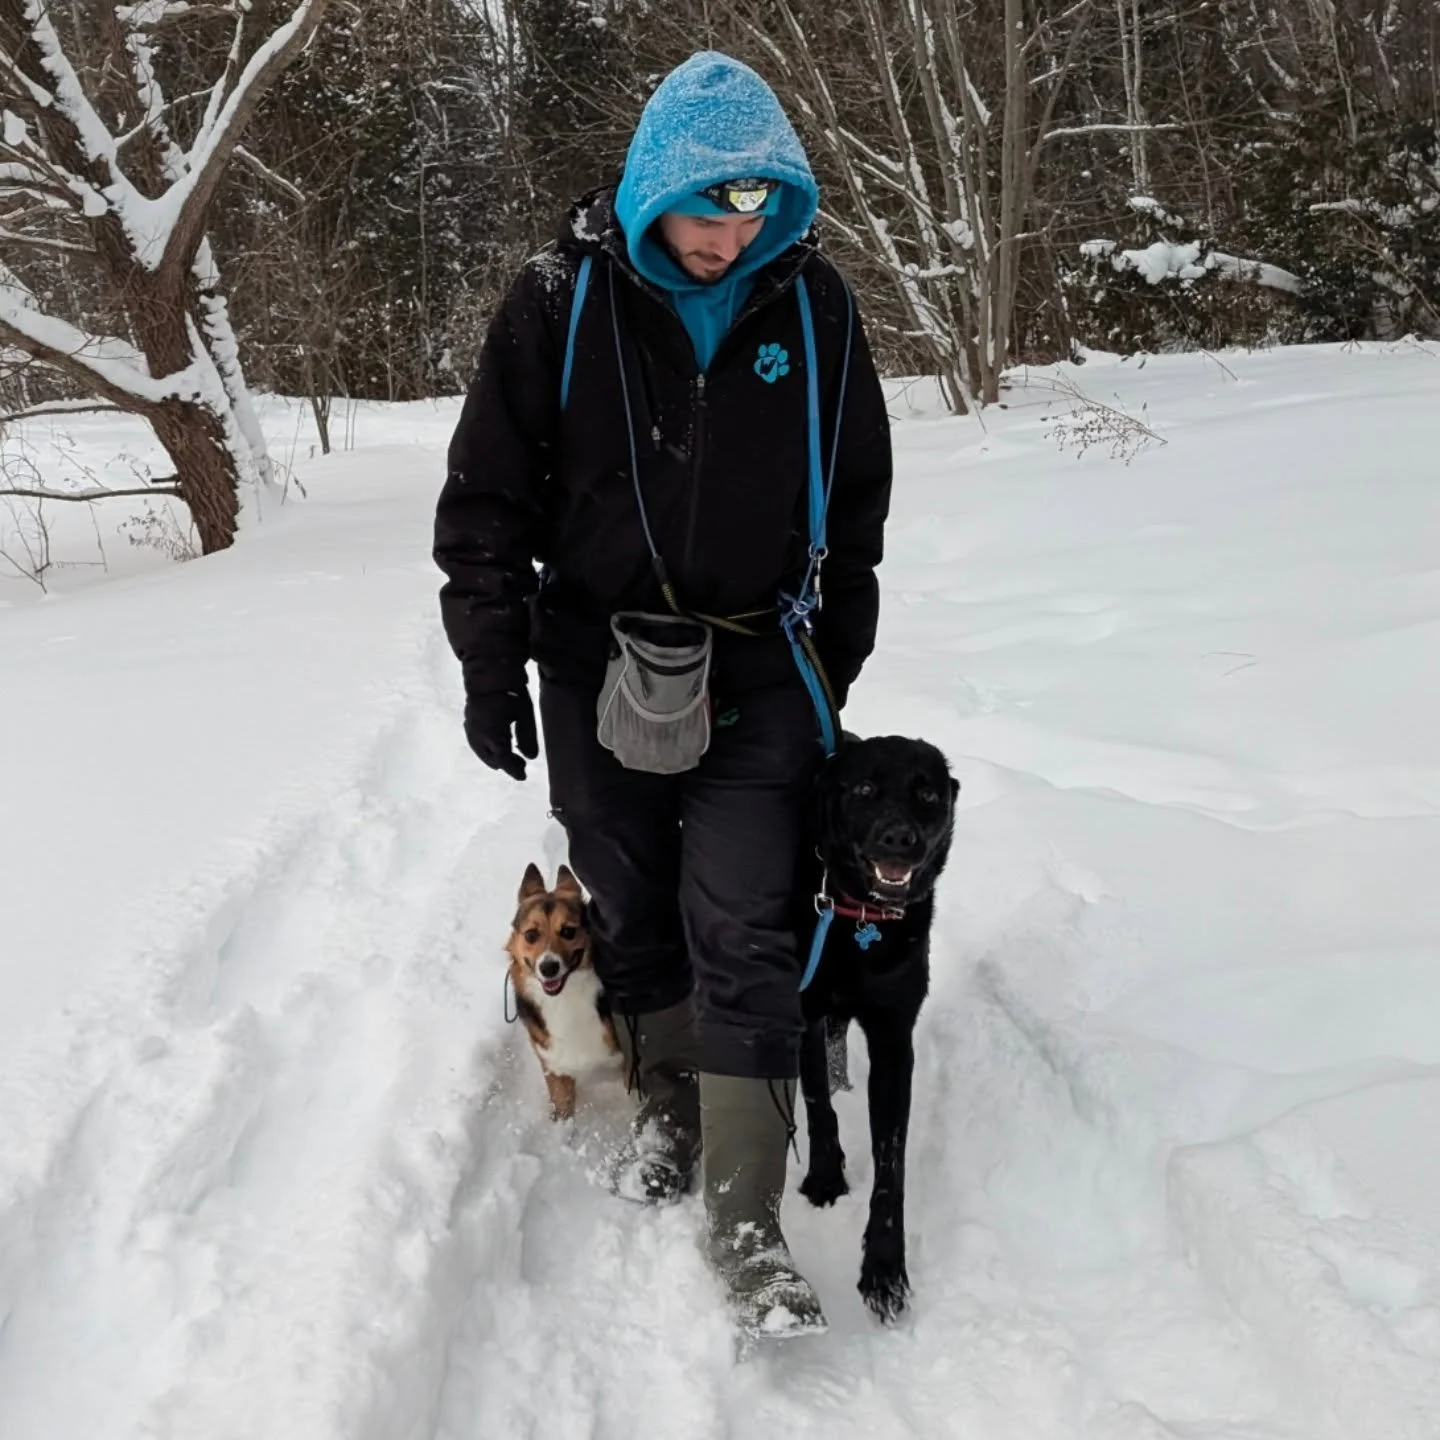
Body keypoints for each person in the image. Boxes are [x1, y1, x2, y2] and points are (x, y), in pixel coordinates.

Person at [434, 50, 892, 1336]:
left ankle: (745, 1216)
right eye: (706, 207)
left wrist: (833, 654)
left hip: (763, 662)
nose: (731, 234)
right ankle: (676, 1111)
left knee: (745, 913)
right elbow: (484, 501)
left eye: (758, 206)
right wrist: (489, 656)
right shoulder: (554, 302)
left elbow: (856, 501)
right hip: (594, 661)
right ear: (649, 194)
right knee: (628, 904)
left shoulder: (815, 307)